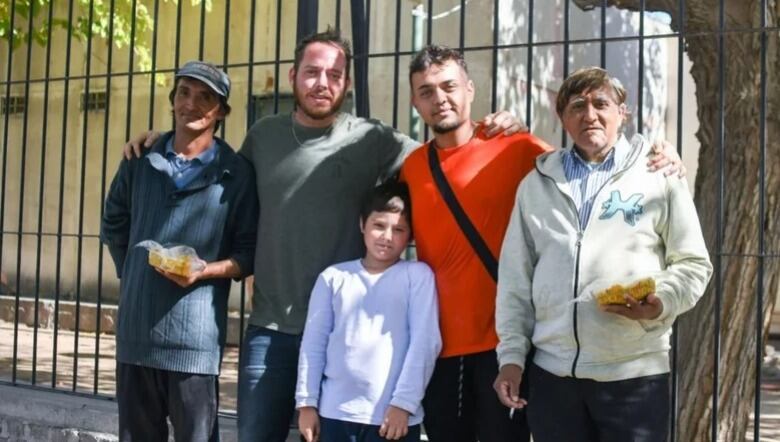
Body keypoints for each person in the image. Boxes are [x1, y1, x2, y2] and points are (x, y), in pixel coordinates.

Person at [123, 28, 524, 442]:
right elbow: (215, 176)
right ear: (293, 76)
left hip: (347, 332)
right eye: (312, 72)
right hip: (271, 330)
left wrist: (499, 125)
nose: (322, 83)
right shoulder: (263, 137)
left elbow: (445, 152)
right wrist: (161, 141)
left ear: (347, 84)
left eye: (334, 75)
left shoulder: (374, 140)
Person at [493, 66, 713, 442]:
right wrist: (511, 358)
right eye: (577, 105)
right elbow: (515, 280)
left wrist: (660, 302)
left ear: (621, 113)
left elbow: (693, 264)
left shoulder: (658, 175)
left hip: (634, 375)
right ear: (562, 117)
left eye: (601, 103)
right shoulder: (536, 184)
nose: (589, 114)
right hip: (553, 378)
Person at [399, 45, 552, 442]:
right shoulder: (413, 167)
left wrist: (659, 156)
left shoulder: (515, 146)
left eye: (449, 86)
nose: (440, 98)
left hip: (506, 344)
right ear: (415, 102)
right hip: (438, 344)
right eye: (427, 91)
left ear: (470, 88)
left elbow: (585, 173)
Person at [101, 60, 258, 441]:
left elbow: (248, 252)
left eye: (206, 97)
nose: (192, 104)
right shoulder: (140, 160)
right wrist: (134, 271)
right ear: (172, 100)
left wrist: (204, 271)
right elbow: (113, 221)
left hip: (195, 344)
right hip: (137, 338)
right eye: (184, 92)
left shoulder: (236, 173)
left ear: (220, 111)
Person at [295, 182, 441, 442]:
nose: (387, 236)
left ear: (410, 236)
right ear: (363, 224)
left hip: (391, 418)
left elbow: (425, 342)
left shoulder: (417, 276)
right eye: (378, 225)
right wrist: (307, 404)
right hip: (335, 414)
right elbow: (313, 344)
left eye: (398, 229)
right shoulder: (334, 277)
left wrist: (404, 404)